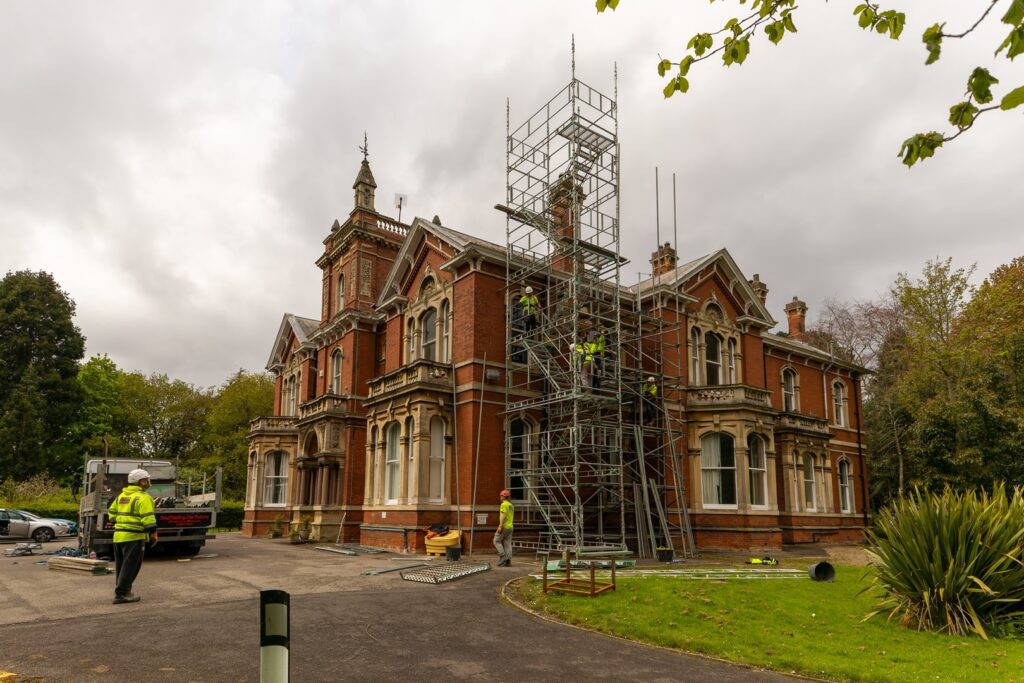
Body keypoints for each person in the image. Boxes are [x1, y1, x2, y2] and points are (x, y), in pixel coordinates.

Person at [107, 468, 158, 604]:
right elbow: (148, 519)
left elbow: (111, 514)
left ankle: (123, 591)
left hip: (118, 536)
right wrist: (153, 534)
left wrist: (121, 523)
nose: (148, 482)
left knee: (122, 566)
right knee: (131, 567)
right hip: (134, 537)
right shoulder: (143, 498)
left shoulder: (121, 497)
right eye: (147, 480)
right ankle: (122, 594)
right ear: (141, 482)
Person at [493, 489, 514, 566]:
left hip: (504, 526)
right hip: (510, 527)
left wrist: (500, 525)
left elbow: (503, 515)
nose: (500, 497)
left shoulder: (504, 505)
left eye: (500, 496)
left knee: (496, 540)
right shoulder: (511, 505)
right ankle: (508, 561)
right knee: (507, 543)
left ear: (503, 496)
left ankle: (503, 556)